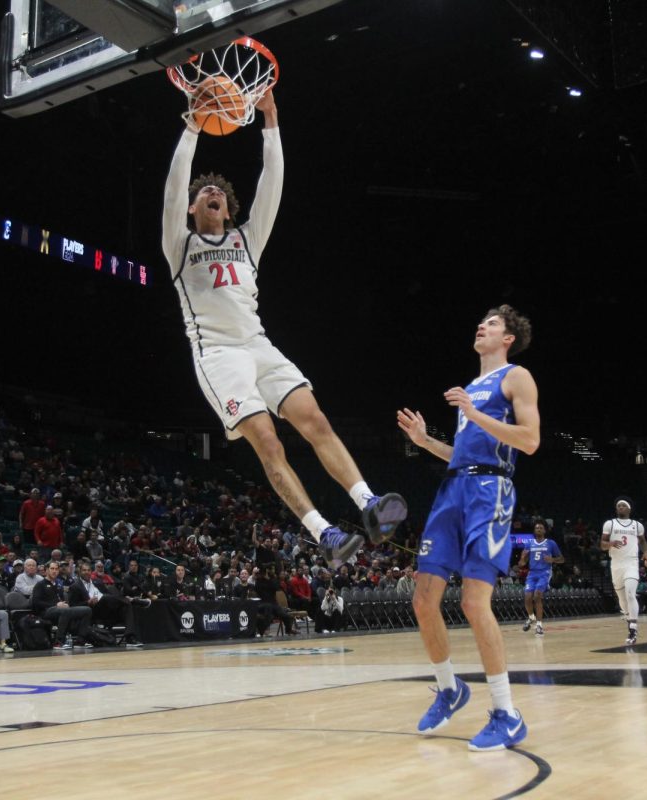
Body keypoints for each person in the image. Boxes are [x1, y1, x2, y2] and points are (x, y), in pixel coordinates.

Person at [160, 87, 406, 568]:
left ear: (228, 209)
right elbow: (174, 184)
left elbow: (272, 181)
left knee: (315, 421)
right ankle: (325, 534)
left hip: (258, 344)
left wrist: (270, 121)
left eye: (217, 194)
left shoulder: (247, 239)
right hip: (217, 354)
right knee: (268, 440)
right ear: (191, 210)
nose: (209, 194)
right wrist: (192, 126)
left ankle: (369, 504)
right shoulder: (179, 244)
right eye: (201, 194)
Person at [396, 305, 539, 751]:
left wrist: (475, 416)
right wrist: (424, 443)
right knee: (423, 600)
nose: (482, 326)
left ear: (508, 338)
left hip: (489, 493)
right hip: (452, 490)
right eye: (481, 322)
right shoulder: (471, 387)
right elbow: (462, 453)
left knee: (475, 602)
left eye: (492, 323)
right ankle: (450, 687)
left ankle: (506, 714)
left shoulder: (516, 377)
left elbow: (530, 441)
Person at [601, 498, 647, 645]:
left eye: (623, 505)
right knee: (622, 598)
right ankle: (628, 618)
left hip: (631, 562)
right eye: (618, 506)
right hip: (616, 564)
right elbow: (602, 545)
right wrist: (610, 544)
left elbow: (643, 541)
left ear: (629, 509)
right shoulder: (610, 524)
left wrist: (646, 553)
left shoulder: (637, 525)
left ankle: (633, 628)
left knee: (630, 593)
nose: (620, 507)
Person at [31, 560, 92, 649]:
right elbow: (36, 602)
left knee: (87, 610)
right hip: (45, 611)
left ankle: (80, 641)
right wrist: (56, 604)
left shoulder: (58, 584)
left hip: (61, 610)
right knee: (64, 610)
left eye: (56, 569)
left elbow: (62, 601)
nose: (54, 571)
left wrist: (65, 604)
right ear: (47, 570)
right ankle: (59, 642)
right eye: (52, 569)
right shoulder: (40, 584)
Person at [518, 521, 563, 636]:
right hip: (532, 573)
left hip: (545, 573)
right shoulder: (529, 544)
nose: (538, 529)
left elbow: (562, 559)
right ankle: (531, 617)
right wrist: (522, 559)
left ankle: (539, 626)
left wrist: (552, 560)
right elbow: (521, 564)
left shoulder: (551, 543)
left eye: (541, 528)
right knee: (528, 597)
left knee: (537, 595)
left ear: (544, 531)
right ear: (534, 530)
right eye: (536, 528)